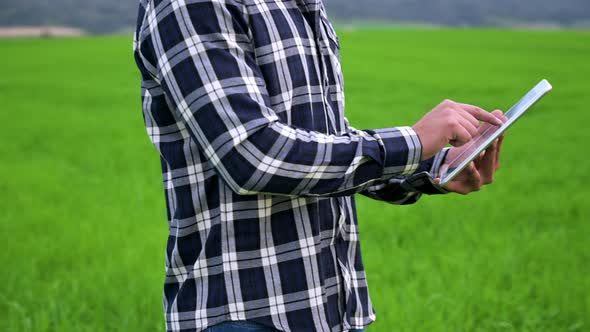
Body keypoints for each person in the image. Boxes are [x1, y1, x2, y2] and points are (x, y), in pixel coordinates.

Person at [133, 0, 506, 331]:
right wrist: (413, 141)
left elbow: (324, 145)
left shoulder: (303, 6)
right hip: (244, 314)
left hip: (332, 310)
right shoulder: (190, 4)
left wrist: (432, 165)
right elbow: (253, 154)